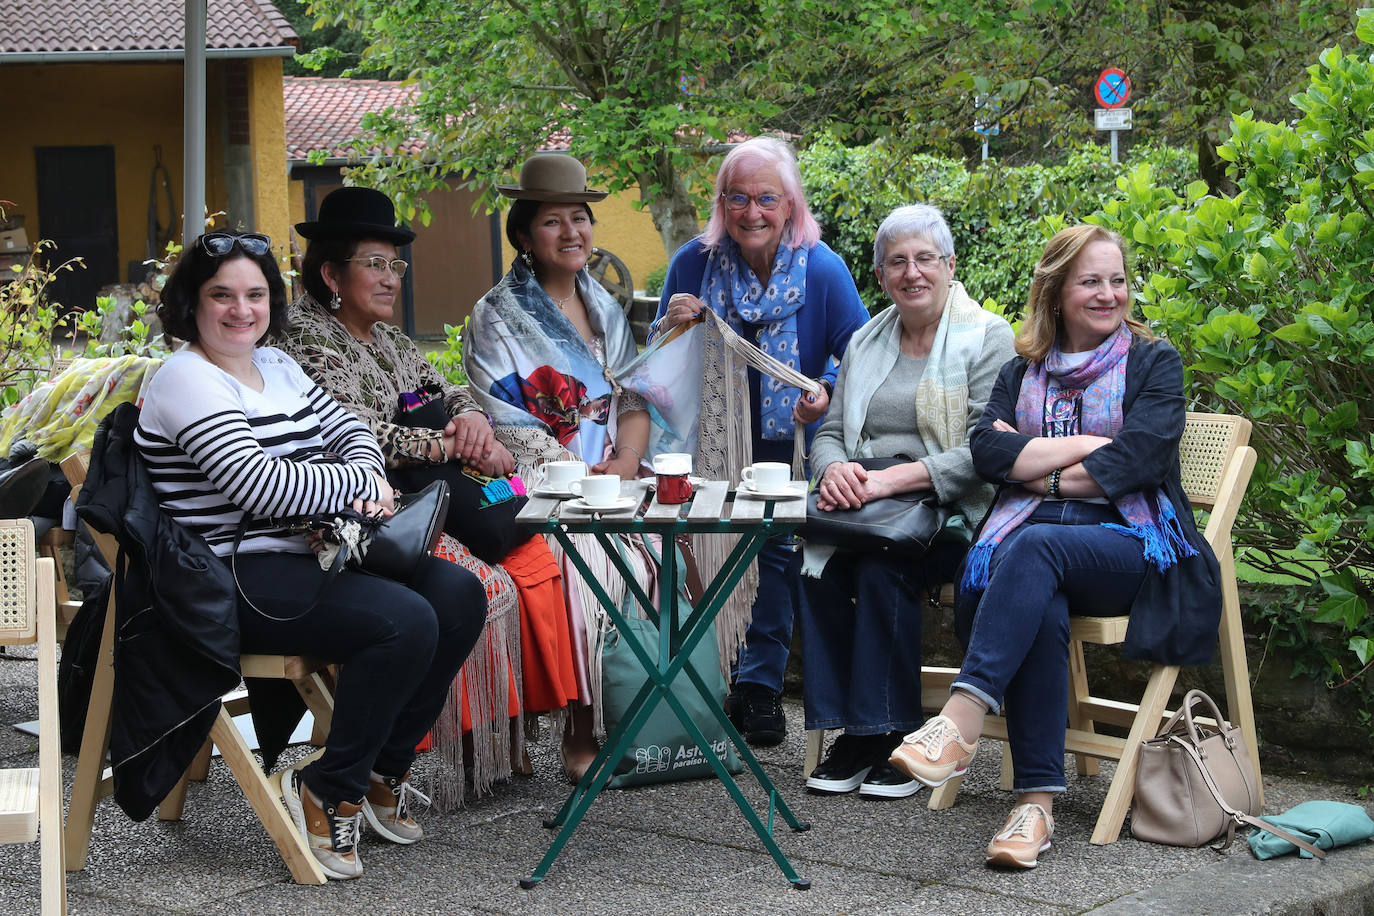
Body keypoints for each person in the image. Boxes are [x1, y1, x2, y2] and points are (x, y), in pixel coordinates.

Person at [135, 231, 487, 880]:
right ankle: (329, 785)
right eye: (222, 295)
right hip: (228, 577)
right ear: (192, 302)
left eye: (255, 294)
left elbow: (348, 427)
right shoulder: (184, 379)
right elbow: (257, 486)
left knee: (460, 595)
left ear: (273, 299)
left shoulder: (278, 366)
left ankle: (383, 767)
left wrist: (358, 464)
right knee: (403, 620)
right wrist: (361, 482)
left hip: (311, 551)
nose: (241, 310)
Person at [888, 225, 1222, 868]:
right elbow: (987, 451)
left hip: (1135, 552)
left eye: (1117, 280)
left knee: (1033, 546)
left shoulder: (1155, 363)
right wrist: (1089, 449)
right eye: (1090, 280)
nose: (1108, 293)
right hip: (1038, 557)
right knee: (1037, 584)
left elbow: (1141, 460)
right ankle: (1033, 809)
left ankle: (960, 718)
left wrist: (1033, 465)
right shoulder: (1024, 370)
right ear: (1057, 291)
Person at [277, 186, 578, 803]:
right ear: (331, 271)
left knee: (525, 549)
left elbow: (447, 387)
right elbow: (352, 433)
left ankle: (396, 765)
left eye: (396, 265)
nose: (390, 279)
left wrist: (469, 420)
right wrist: (448, 445)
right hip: (350, 515)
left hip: (411, 498)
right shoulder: (306, 341)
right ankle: (400, 760)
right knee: (476, 587)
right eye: (374, 264)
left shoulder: (385, 339)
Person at [655, 136, 868, 746]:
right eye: (738, 198)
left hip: (787, 444)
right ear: (722, 204)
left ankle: (758, 688)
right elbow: (658, 366)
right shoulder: (693, 263)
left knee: (774, 559)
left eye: (766, 198)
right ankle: (702, 676)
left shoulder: (821, 268)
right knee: (706, 553)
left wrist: (825, 387)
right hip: (708, 446)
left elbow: (858, 356)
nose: (752, 212)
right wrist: (673, 327)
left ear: (791, 204)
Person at [800, 205, 1014, 799]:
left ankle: (885, 735)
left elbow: (988, 448)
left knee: (880, 567)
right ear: (881, 274)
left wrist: (898, 481)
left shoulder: (987, 337)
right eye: (898, 261)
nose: (912, 272)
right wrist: (833, 469)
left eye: (925, 259)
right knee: (815, 567)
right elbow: (831, 430)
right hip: (867, 504)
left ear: (949, 265)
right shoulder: (867, 340)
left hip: (954, 513)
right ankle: (854, 728)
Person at [464, 153, 658, 780]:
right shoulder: (496, 316)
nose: (573, 232)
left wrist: (626, 461)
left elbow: (634, 397)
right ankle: (580, 726)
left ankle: (645, 714)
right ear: (523, 235)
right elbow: (503, 420)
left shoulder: (603, 305)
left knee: (671, 550)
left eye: (581, 217)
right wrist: (580, 477)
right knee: (592, 561)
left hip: (612, 477)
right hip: (537, 484)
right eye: (553, 221)